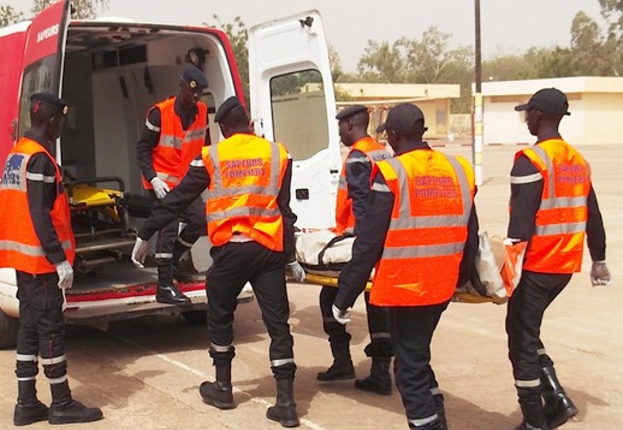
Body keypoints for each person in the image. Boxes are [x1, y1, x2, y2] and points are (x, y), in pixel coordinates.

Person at [131, 96, 306, 428]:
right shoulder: (277, 153)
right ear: (250, 126)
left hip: (233, 251)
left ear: (223, 129)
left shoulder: (212, 156)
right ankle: (287, 404)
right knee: (278, 325)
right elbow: (285, 210)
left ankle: (223, 387)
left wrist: (146, 233)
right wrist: (291, 255)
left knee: (219, 313)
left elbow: (179, 198)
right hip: (269, 250)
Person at [332, 103, 478, 430]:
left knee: (409, 371)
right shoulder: (457, 168)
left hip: (407, 286)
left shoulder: (394, 173)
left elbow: (369, 242)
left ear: (395, 135)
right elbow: (471, 234)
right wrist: (463, 278)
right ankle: (437, 415)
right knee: (417, 356)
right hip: (442, 285)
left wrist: (344, 296)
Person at [0, 93, 103, 426]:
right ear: (52, 120)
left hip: (23, 262)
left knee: (28, 329)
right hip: (40, 264)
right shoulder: (38, 159)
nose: (62, 126)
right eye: (61, 120)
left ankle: (26, 403)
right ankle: (62, 403)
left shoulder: (17, 155)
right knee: (51, 331)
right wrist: (60, 260)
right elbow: (40, 214)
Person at [505, 88, 610, 430]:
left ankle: (535, 420)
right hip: (564, 267)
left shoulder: (532, 160)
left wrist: (504, 273)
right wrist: (599, 258)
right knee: (527, 331)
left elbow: (520, 226)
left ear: (538, 115)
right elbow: (592, 215)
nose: (526, 119)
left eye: (528, 113)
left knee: (520, 340)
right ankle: (557, 398)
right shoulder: (577, 161)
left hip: (536, 267)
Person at [316, 105, 395, 397]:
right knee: (378, 305)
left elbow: (362, 207)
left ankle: (343, 361)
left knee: (329, 295)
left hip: (361, 242)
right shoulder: (383, 151)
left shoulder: (359, 157)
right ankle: (380, 372)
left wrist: (362, 251)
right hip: (385, 239)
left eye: (340, 126)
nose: (339, 133)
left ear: (350, 124)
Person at [136, 65, 211, 306]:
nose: (195, 97)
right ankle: (165, 286)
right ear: (181, 87)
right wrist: (153, 178)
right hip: (162, 181)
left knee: (199, 221)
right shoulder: (159, 113)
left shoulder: (201, 111)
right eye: (192, 92)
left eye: (199, 93)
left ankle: (174, 261)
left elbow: (205, 146)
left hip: (186, 182)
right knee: (167, 228)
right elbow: (143, 148)